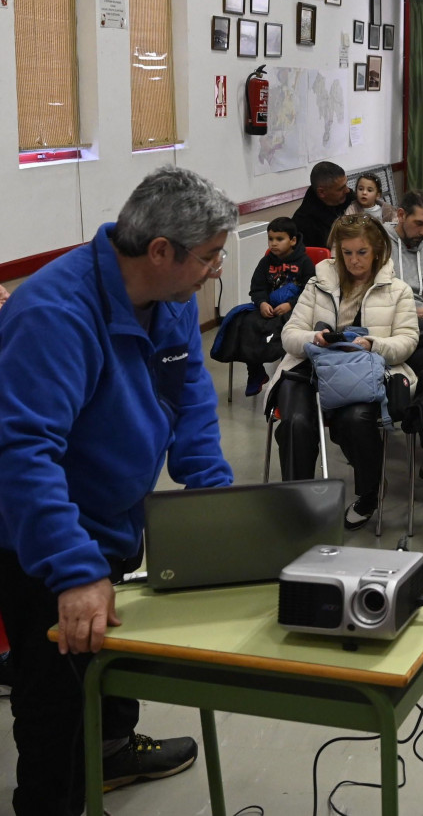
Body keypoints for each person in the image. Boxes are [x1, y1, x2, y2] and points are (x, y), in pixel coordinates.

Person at [0, 166, 238, 815]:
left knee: (113, 657)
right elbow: (25, 454)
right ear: (160, 250)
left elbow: (189, 399)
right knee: (53, 705)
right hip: (41, 536)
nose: (215, 270)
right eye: (210, 256)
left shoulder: (172, 299)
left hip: (114, 516)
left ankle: (112, 751)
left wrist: (215, 502)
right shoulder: (54, 313)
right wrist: (73, 572)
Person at [270, 214, 419, 530]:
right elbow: (289, 334)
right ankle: (299, 503)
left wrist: (371, 344)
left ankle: (369, 493)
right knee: (295, 423)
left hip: (363, 372)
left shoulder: (398, 290)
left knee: (355, 420)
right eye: (346, 253)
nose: (353, 261)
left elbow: (407, 342)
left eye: (361, 252)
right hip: (309, 368)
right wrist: (315, 339)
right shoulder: (318, 283)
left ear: (377, 250)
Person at [236, 217, 316, 396]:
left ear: (293, 240)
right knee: (247, 324)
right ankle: (255, 372)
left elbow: (311, 290)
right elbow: (257, 288)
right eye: (270, 239)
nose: (273, 244)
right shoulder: (265, 263)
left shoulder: (304, 263)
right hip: (268, 309)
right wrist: (262, 303)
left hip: (294, 310)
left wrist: (290, 305)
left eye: (279, 239)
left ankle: (284, 374)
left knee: (285, 331)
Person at [384, 190, 423, 377]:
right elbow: (372, 303)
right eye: (418, 223)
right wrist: (416, 312)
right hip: (388, 325)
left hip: (422, 331)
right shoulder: (379, 245)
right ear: (401, 215)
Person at [292, 160, 355, 248]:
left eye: (346, 184)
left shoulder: (349, 198)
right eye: (340, 189)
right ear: (321, 192)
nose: (347, 190)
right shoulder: (303, 223)